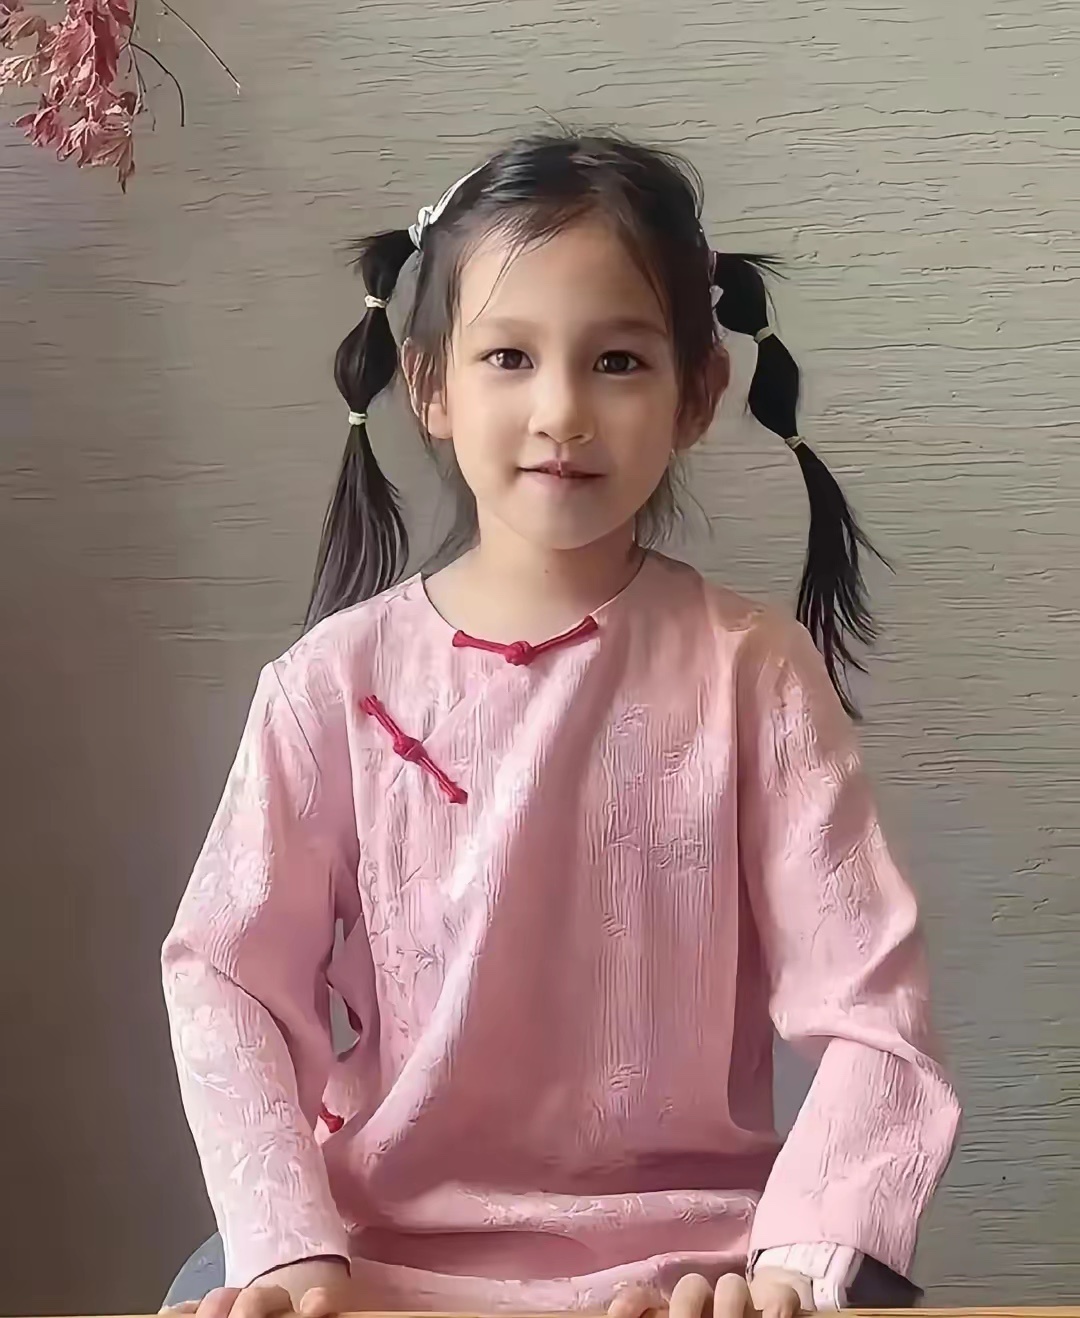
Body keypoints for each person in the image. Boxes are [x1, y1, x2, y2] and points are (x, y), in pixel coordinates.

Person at [162, 131, 960, 1318]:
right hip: (376, 1246)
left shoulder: (754, 674)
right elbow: (229, 976)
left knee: (860, 1284)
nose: (562, 411)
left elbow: (872, 1010)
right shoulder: (329, 684)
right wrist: (287, 1246)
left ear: (699, 393)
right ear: (430, 384)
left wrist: (797, 1260)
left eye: (619, 361)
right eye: (508, 356)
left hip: (701, 1260)